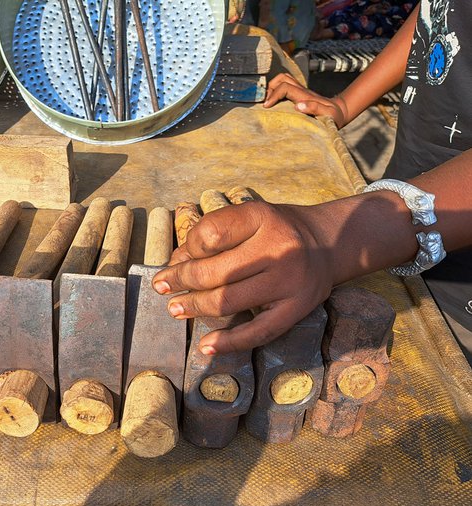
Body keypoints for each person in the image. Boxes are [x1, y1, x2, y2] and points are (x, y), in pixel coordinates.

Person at [153, 0, 472, 361]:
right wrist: (346, 103)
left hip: (457, 299)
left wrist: (328, 236)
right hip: (393, 217)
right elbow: (442, 13)